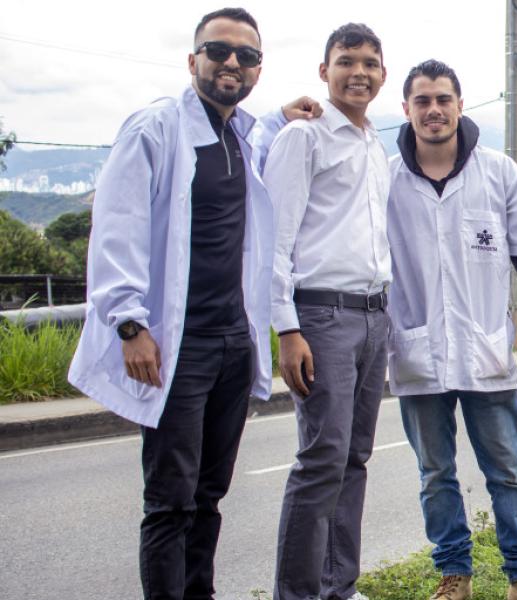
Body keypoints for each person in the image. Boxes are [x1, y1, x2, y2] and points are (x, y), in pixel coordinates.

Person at [67, 7, 320, 600]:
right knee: (170, 500)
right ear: (192, 60)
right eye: (218, 51)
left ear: (258, 69)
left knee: (209, 496)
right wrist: (129, 323)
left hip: (234, 342)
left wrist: (283, 115)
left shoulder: (238, 135)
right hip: (177, 346)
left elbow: (259, 148)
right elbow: (118, 226)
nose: (232, 63)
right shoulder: (155, 128)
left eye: (247, 55)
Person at [386, 59, 517, 600]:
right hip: (418, 350)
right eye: (422, 101)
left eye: (443, 99)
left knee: (506, 470)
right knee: (435, 474)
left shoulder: (498, 172)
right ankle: (453, 574)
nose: (433, 110)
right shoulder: (384, 179)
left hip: (486, 348)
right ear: (407, 109)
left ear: (460, 105)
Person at [263, 23, 391, 600]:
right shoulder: (304, 137)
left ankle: (338, 587)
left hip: (373, 317)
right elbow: (276, 239)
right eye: (346, 61)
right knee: (321, 460)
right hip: (321, 317)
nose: (358, 72)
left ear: (382, 74)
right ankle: (297, 594)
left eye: (369, 63)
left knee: (354, 459)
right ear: (324, 71)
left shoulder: (374, 145)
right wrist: (287, 328)